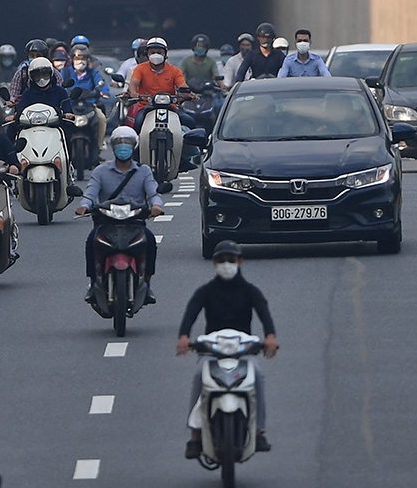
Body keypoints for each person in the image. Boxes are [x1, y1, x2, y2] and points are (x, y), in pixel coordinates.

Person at [176, 241, 279, 456]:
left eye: (231, 260)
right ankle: (195, 435)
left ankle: (258, 431)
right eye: (221, 260)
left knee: (257, 375)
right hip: (212, 349)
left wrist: (270, 337)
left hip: (243, 349)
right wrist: (184, 337)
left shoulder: (250, 291)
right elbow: (191, 313)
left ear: (240, 262)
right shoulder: (205, 291)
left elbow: (264, 314)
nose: (226, 264)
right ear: (214, 263)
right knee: (199, 375)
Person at [75, 126, 165, 302]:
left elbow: (153, 193)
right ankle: (93, 283)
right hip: (105, 223)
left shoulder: (143, 171)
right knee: (91, 242)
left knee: (150, 241)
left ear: (134, 146)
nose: (123, 147)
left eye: (127, 143)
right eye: (119, 143)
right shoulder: (101, 171)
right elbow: (90, 193)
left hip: (135, 223)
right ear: (113, 147)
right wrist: (84, 206)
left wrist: (156, 206)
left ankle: (147, 283)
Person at [124, 36, 188, 127]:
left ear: (165, 54)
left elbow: (182, 85)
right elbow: (134, 83)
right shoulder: (140, 68)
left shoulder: (175, 71)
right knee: (137, 123)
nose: (156, 55)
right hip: (146, 106)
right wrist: (134, 93)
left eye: (159, 52)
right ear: (147, 54)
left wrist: (188, 94)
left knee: (189, 121)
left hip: (170, 106)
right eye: (152, 52)